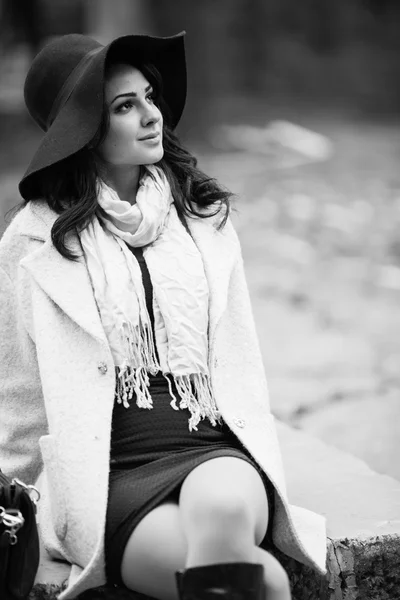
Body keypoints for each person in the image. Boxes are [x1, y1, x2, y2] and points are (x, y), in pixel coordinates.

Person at [0, 31, 327, 600]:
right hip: (107, 475)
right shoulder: (32, 242)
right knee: (264, 581)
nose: (152, 115)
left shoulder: (203, 218)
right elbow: (21, 391)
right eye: (126, 106)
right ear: (83, 129)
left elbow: (241, 357)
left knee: (225, 519)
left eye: (149, 96)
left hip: (209, 446)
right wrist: (16, 496)